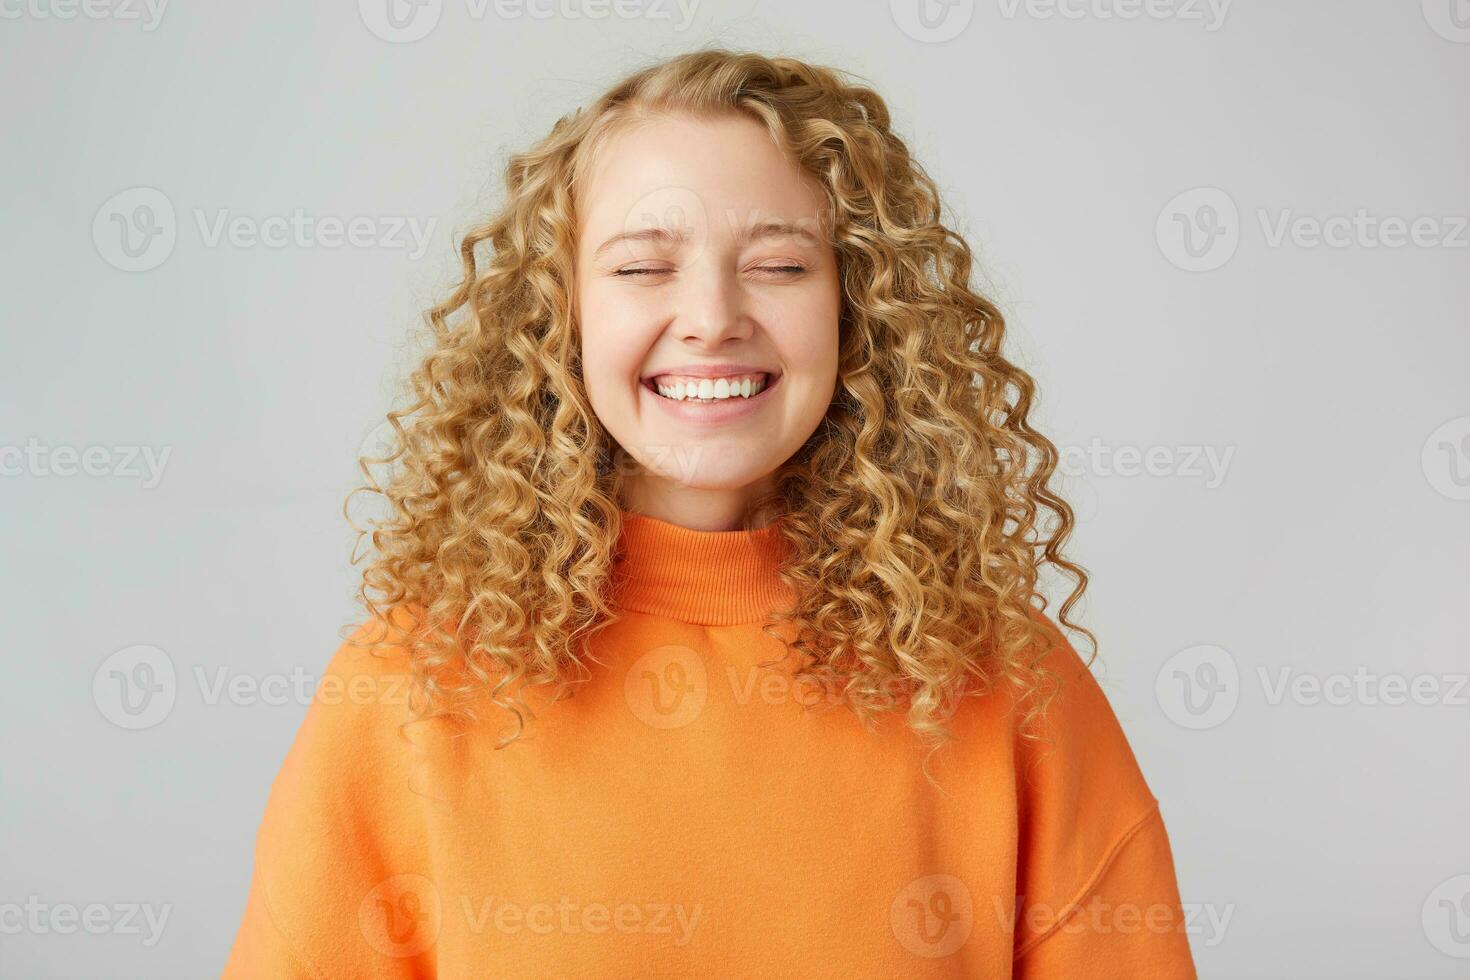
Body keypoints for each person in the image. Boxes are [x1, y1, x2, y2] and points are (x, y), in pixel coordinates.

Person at [223, 48, 1197, 978]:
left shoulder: (1006, 684)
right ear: (557, 314)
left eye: (779, 264)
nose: (712, 315)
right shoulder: (409, 685)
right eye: (642, 266)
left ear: (856, 309)